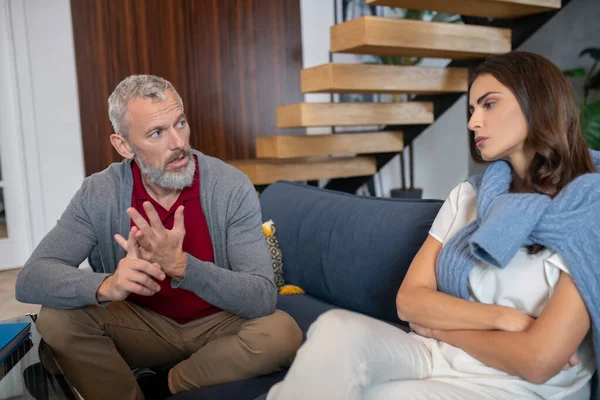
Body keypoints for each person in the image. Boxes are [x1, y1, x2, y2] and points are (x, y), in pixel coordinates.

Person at [266, 51, 599, 400]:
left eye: (488, 104)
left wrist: (443, 326)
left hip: (516, 384)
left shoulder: (588, 208)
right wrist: (504, 318)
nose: (472, 123)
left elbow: (538, 360)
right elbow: (409, 302)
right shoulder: (469, 197)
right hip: (432, 353)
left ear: (539, 102)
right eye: (472, 110)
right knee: (336, 329)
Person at [15, 75, 303, 400]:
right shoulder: (101, 192)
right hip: (143, 325)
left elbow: (262, 297)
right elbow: (30, 279)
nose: (178, 142)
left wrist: (182, 266)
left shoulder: (230, 186)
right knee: (57, 320)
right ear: (124, 145)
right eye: (157, 133)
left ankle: (160, 385)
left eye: (180, 123)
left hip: (218, 323)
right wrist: (106, 285)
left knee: (282, 333)